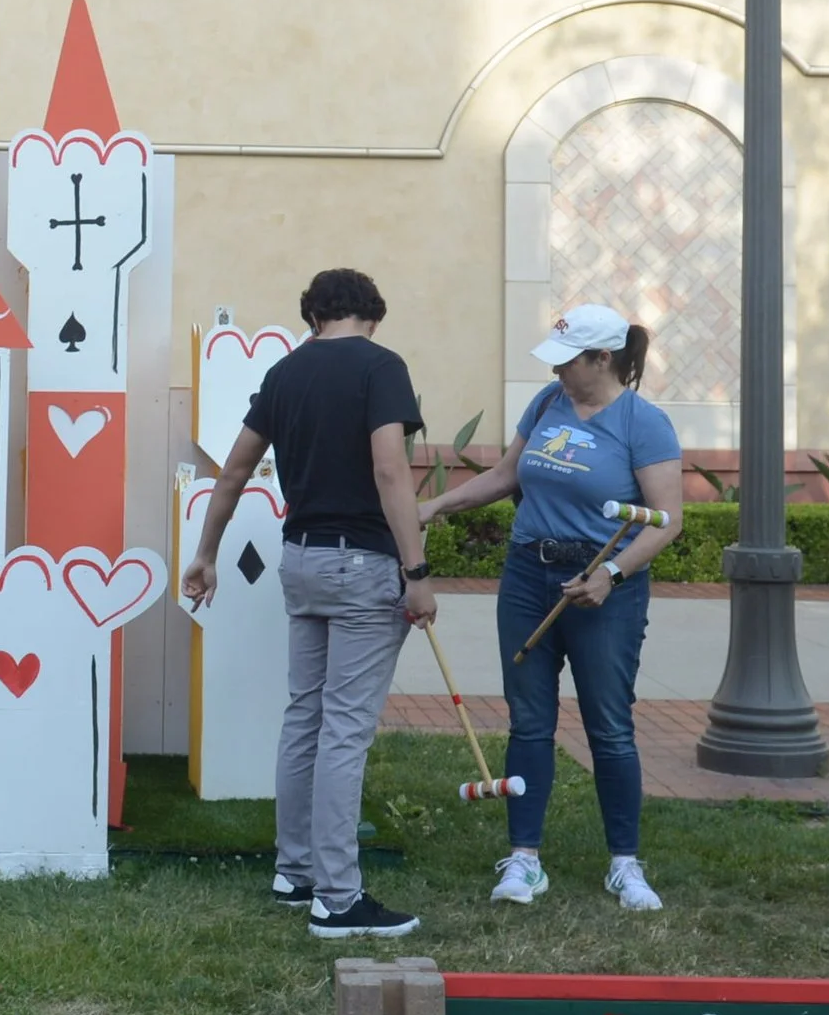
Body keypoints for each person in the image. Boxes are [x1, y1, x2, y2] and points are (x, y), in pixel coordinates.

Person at [182, 267, 436, 939]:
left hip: (301, 559)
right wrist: (417, 569)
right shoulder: (382, 366)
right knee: (345, 728)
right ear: (372, 314)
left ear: (313, 315)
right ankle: (337, 896)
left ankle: (295, 872)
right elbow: (390, 468)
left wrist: (204, 554)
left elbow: (234, 469)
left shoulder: (285, 373)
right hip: (362, 562)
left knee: (306, 717)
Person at [416, 303, 683, 912]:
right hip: (527, 576)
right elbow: (507, 477)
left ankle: (625, 864)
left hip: (601, 588)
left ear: (603, 359)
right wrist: (435, 507)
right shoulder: (545, 405)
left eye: (569, 361)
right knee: (528, 719)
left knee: (609, 725)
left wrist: (611, 575)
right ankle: (525, 860)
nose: (558, 370)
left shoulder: (645, 423)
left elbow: (668, 522)